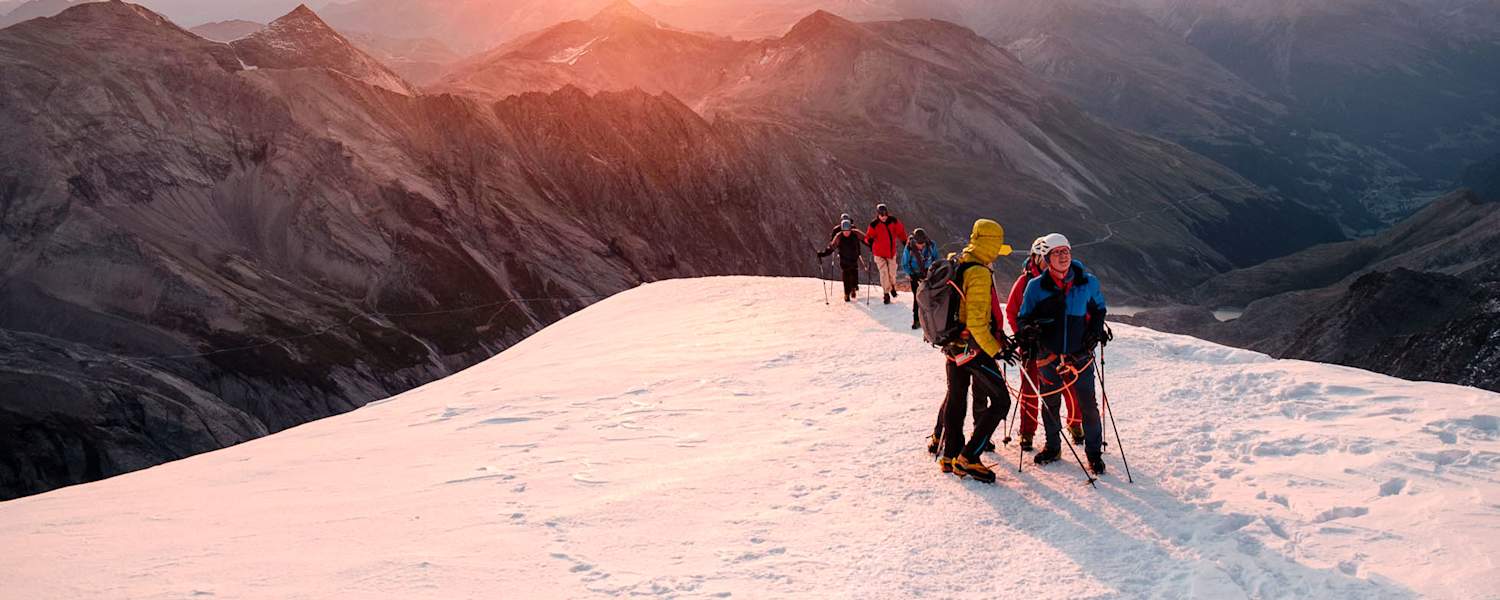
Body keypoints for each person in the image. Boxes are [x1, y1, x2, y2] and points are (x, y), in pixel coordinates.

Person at [1016, 233, 1109, 475]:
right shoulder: (1035, 287)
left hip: (1080, 354)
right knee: (1051, 403)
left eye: (1066, 251)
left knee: (1088, 404)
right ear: (1047, 257)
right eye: (1057, 252)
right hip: (1049, 355)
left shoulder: (1087, 282)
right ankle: (1053, 447)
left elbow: (1099, 309)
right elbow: (1024, 317)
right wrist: (1028, 331)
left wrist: (1095, 331)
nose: (1063, 256)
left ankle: (1093, 453)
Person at [933, 219, 1016, 483]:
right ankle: (969, 458)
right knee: (1002, 400)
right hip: (973, 349)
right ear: (991, 244)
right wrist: (997, 351)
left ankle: (949, 455)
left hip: (951, 346)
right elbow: (978, 323)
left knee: (957, 398)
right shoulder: (978, 273)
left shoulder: (958, 261)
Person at [864, 204, 908, 305]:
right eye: (881, 215)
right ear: (878, 215)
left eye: (885, 215)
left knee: (892, 273)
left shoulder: (893, 221)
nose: (883, 217)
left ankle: (892, 286)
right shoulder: (874, 224)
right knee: (884, 273)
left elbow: (900, 231)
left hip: (891, 253)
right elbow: (868, 237)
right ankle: (886, 293)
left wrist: (904, 241)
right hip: (879, 253)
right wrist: (869, 240)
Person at [817, 220, 866, 302]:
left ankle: (853, 288)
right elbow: (832, 246)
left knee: (854, 273)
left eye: (848, 231)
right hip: (844, 260)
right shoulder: (839, 236)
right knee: (846, 276)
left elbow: (865, 239)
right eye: (844, 231)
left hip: (854, 258)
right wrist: (823, 253)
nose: (846, 233)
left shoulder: (855, 233)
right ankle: (847, 294)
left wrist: (872, 245)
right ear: (842, 230)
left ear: (850, 229)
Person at [900, 228, 939, 329]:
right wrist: (913, 275)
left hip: (928, 273)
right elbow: (905, 264)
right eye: (919, 243)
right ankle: (916, 320)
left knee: (931, 296)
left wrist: (934, 270)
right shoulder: (909, 248)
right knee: (917, 298)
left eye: (923, 243)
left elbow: (936, 259)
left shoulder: (931, 245)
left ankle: (931, 319)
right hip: (915, 274)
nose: (921, 245)